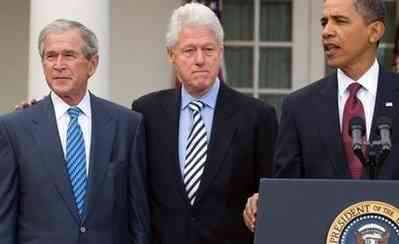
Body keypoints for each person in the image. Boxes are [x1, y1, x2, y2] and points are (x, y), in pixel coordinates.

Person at [243, 0, 399, 232]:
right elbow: (288, 189)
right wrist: (267, 203)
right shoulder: (299, 107)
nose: (327, 32)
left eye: (340, 21)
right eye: (324, 22)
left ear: (374, 31)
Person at [132, 3, 278, 244]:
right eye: (189, 50)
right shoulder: (146, 112)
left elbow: (270, 197)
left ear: (220, 51)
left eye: (208, 49)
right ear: (172, 55)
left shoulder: (257, 116)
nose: (200, 60)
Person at [0, 19, 151, 244]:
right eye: (51, 56)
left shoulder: (127, 125)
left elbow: (138, 218)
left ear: (93, 64)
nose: (58, 64)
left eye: (69, 55)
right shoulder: (14, 128)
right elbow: (5, 219)